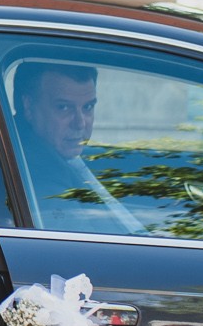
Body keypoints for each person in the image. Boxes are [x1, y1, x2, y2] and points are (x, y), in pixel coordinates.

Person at [10, 62, 143, 233]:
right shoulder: (37, 173)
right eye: (64, 107)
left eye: (88, 107)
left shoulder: (50, 153)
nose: (80, 123)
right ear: (28, 107)